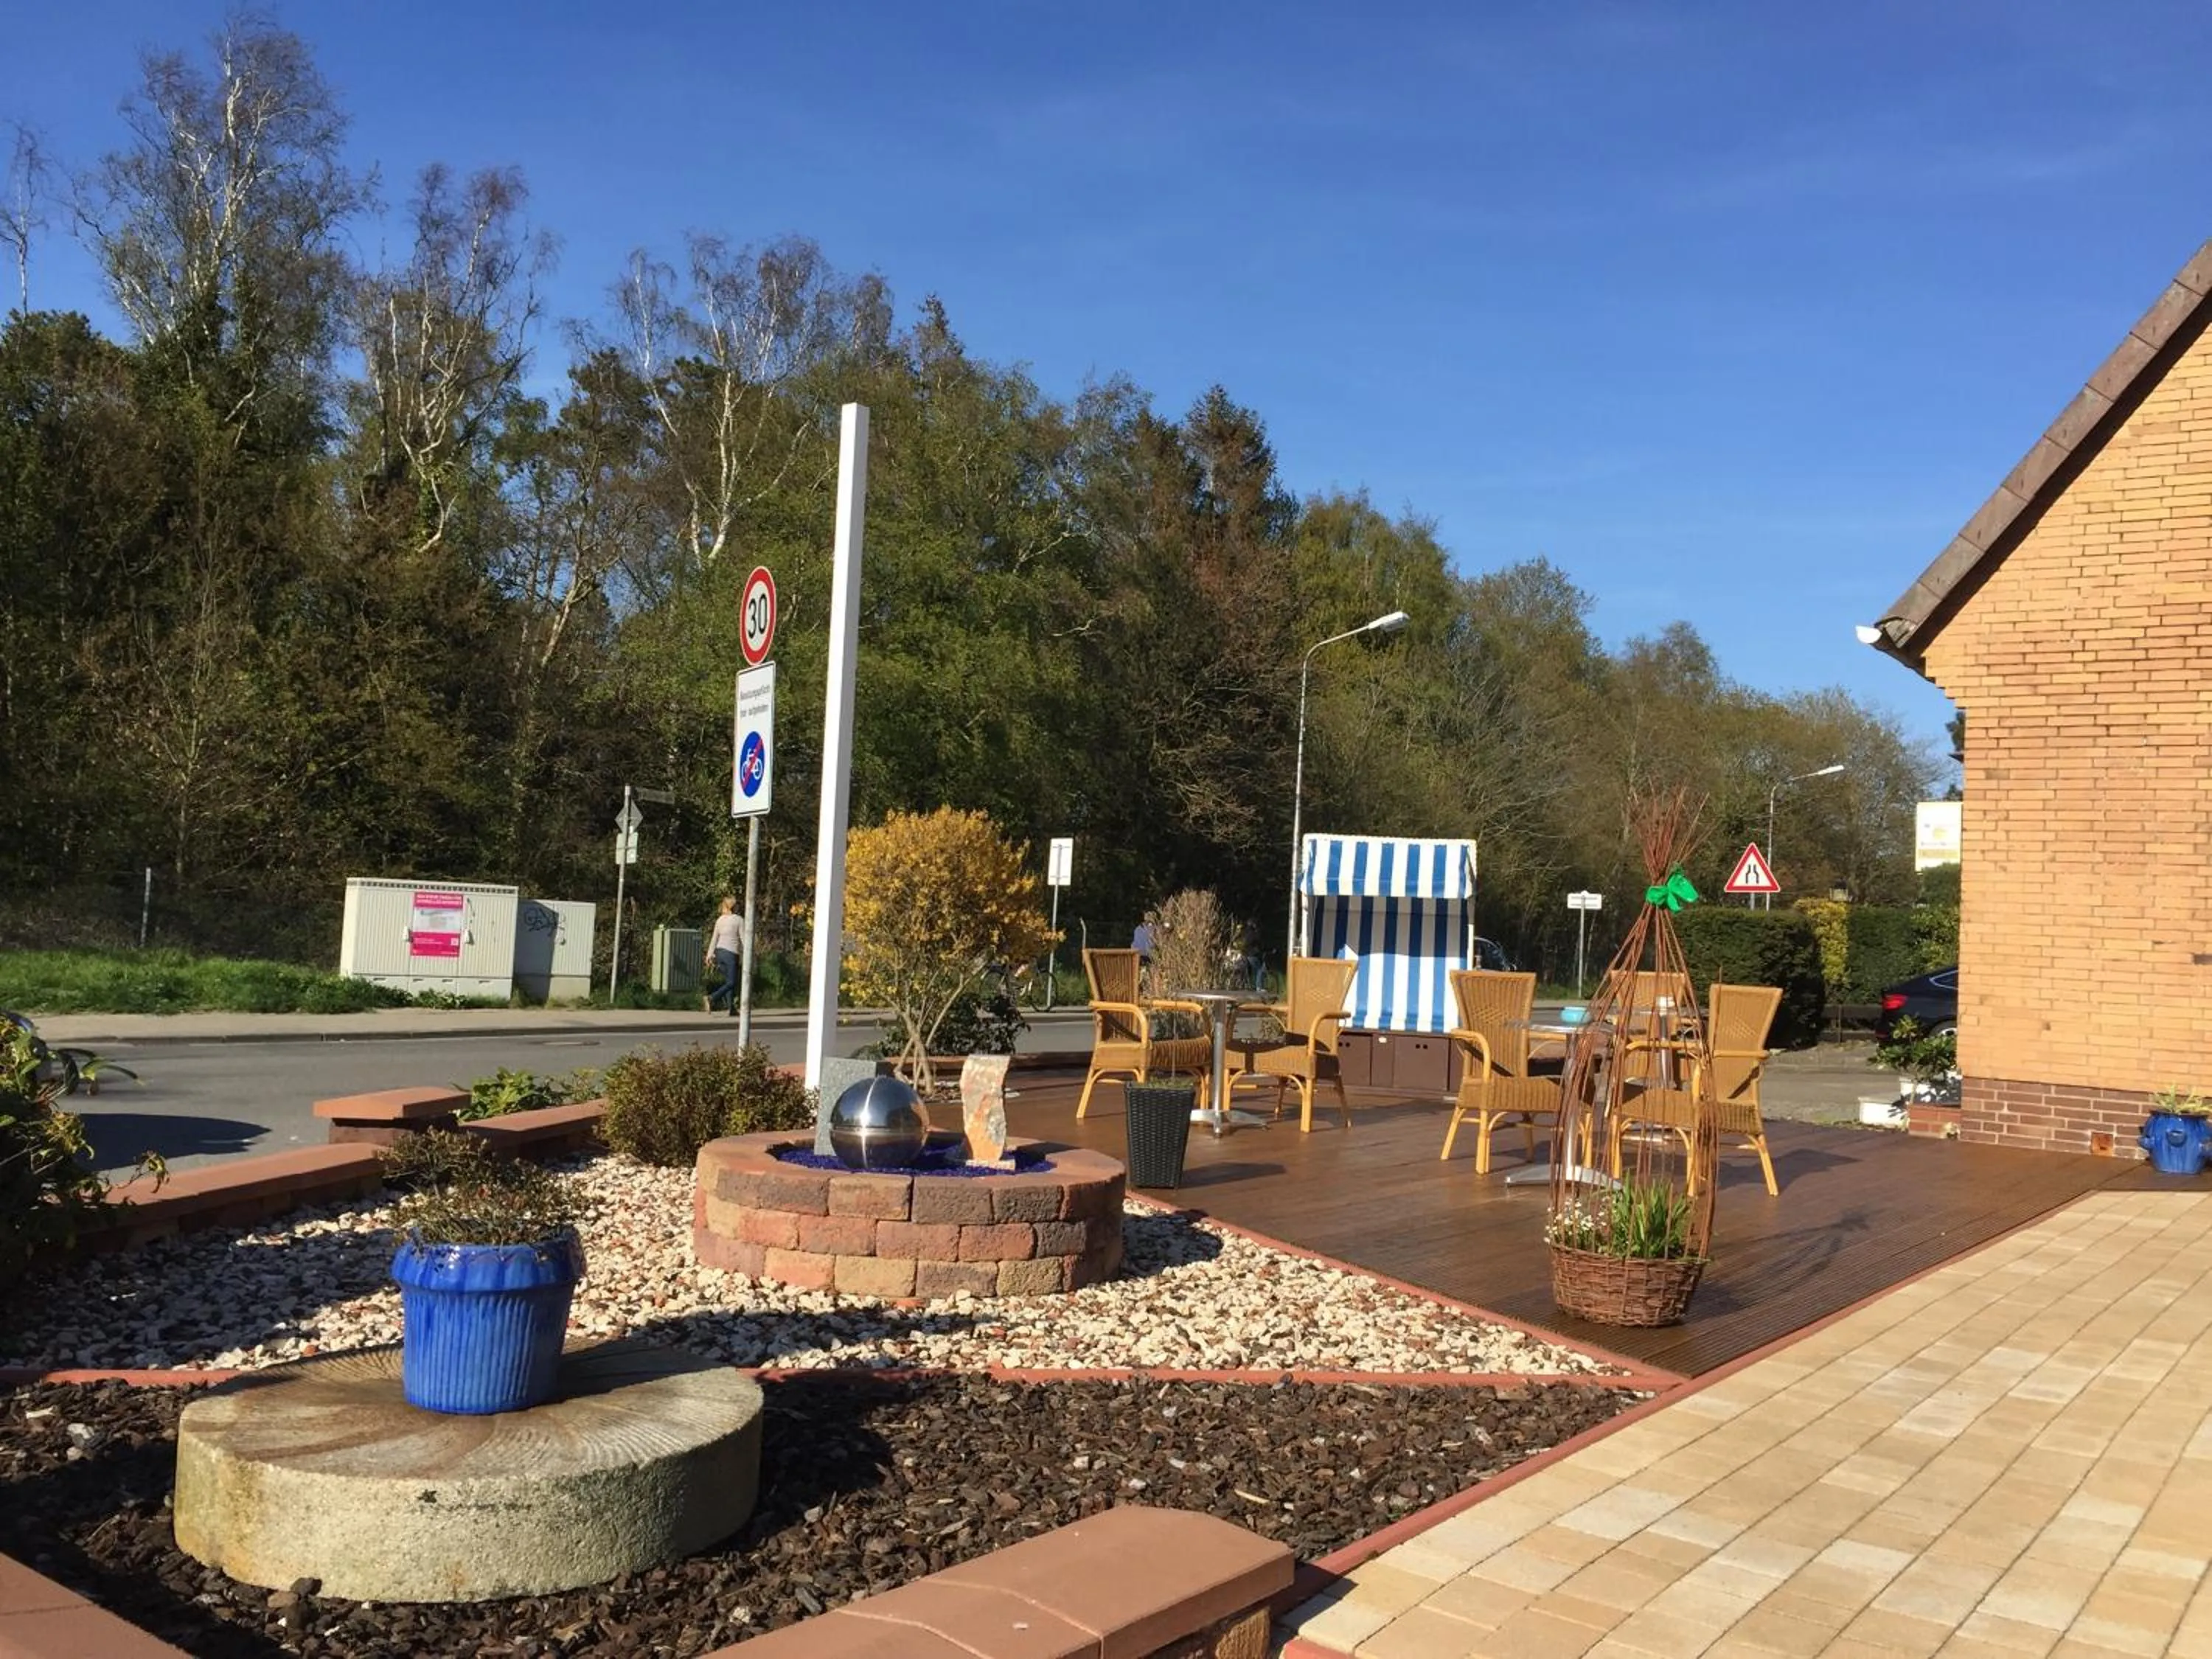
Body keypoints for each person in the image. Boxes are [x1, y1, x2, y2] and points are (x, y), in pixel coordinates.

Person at [705, 897, 747, 1015]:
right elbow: (744, 939)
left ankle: (731, 1008)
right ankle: (711, 998)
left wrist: (709, 955)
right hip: (731, 954)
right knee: (732, 982)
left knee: (728, 981)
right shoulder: (739, 920)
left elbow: (714, 938)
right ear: (734, 907)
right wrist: (749, 954)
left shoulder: (720, 920)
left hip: (719, 953)